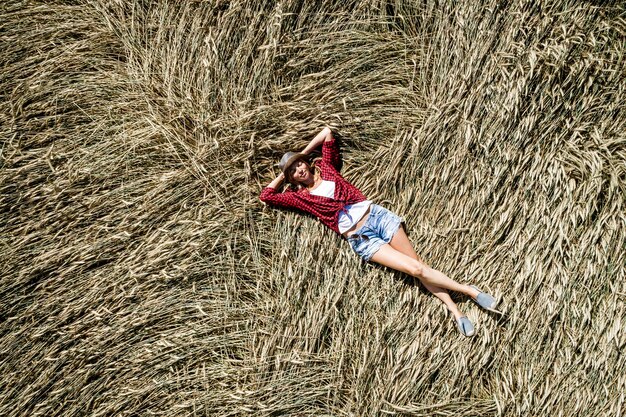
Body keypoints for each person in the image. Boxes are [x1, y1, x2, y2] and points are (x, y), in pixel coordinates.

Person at [259, 127, 498, 337]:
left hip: (377, 217)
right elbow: (267, 196)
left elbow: (326, 132)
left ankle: (457, 310)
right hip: (362, 239)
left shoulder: (327, 168)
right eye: (292, 172)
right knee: (415, 269)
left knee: (419, 267)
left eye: (299, 164)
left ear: (307, 162)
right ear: (292, 179)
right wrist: (283, 172)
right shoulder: (301, 198)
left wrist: (302, 153)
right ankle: (468, 292)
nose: (298, 169)